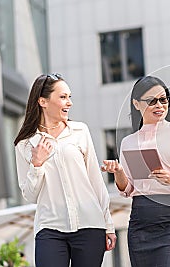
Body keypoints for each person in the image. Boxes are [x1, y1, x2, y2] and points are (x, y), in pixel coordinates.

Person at [14, 73, 116, 267]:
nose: (69, 103)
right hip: (50, 229)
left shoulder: (80, 131)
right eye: (62, 97)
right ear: (43, 101)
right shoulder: (25, 144)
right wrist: (37, 164)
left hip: (89, 225)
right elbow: (29, 194)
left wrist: (108, 224)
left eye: (69, 97)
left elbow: (96, 180)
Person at [101, 76, 170, 267]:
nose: (159, 105)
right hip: (141, 221)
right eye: (152, 101)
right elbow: (127, 188)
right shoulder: (128, 142)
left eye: (163, 99)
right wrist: (118, 171)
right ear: (136, 104)